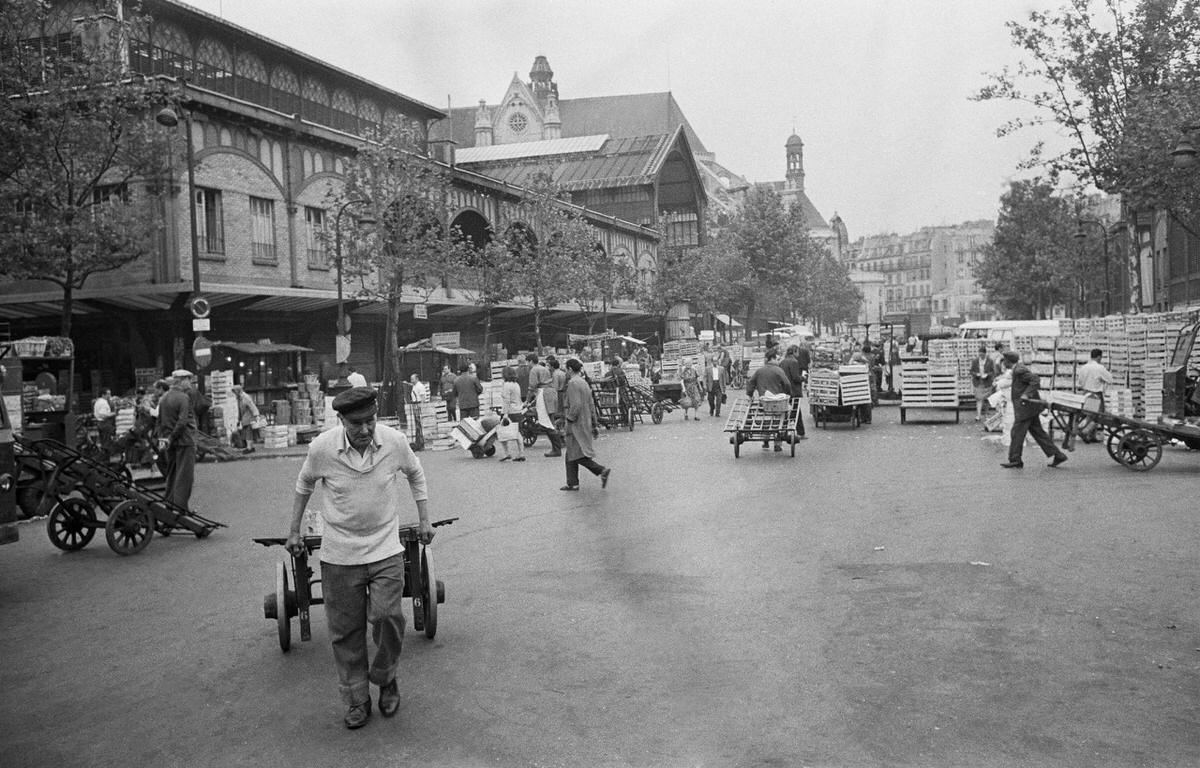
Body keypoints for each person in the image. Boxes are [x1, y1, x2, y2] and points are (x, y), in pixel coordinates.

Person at [286, 387, 433, 729]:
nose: (366, 430)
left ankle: (385, 676)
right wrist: (293, 530)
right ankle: (356, 698)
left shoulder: (394, 441)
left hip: (385, 549)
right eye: (357, 424)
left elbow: (416, 473)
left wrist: (424, 518)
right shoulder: (322, 448)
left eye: (371, 421)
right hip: (339, 554)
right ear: (340, 421)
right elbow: (304, 484)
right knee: (345, 631)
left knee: (387, 617)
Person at [1001, 351, 1068, 469]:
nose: (1003, 362)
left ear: (1008, 361)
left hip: (1025, 409)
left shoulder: (1019, 370)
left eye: (1004, 360)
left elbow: (1035, 380)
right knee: (1039, 433)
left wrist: (1027, 394)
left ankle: (1015, 459)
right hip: (1030, 408)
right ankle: (1058, 455)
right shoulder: (1017, 369)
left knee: (1016, 433)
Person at [560, 358, 611, 491]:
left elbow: (575, 405)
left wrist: (570, 419)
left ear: (570, 369)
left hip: (576, 424)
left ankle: (601, 470)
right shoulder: (584, 383)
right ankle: (572, 482)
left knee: (577, 454)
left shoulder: (572, 383)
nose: (566, 372)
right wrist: (594, 423)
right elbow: (591, 404)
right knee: (571, 453)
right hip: (585, 421)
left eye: (566, 369)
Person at [156, 370, 197, 509]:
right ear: (181, 380)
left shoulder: (164, 398)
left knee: (172, 474)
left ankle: (169, 504)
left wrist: (165, 439)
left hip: (170, 442)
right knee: (185, 476)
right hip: (185, 441)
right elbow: (182, 422)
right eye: (189, 379)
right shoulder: (183, 398)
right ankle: (181, 508)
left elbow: (159, 422)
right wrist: (173, 436)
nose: (190, 383)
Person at [744, 350, 793, 451]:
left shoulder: (759, 371)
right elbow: (787, 384)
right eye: (777, 359)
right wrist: (788, 394)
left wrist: (750, 394)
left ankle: (765, 441)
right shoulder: (779, 370)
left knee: (765, 420)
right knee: (779, 420)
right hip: (778, 402)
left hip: (764, 402)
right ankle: (777, 444)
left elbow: (750, 383)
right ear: (773, 359)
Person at [527, 355, 564, 457]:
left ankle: (556, 449)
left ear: (530, 361)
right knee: (550, 419)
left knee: (545, 422)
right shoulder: (545, 369)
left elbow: (532, 386)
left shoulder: (534, 370)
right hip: (551, 393)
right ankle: (557, 447)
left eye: (528, 362)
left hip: (543, 393)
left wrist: (527, 400)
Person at [1075, 348, 1113, 442]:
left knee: (1088, 414)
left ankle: (1090, 435)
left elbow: (1079, 383)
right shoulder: (1099, 368)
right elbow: (1110, 379)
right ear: (1099, 357)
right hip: (1095, 394)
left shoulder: (1084, 367)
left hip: (1086, 393)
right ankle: (1084, 431)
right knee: (1096, 415)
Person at [496, 366, 526, 462]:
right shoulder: (516, 384)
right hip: (518, 410)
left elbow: (506, 401)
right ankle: (521, 453)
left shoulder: (506, 385)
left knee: (502, 432)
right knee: (518, 433)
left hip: (509, 412)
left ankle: (506, 452)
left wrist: (505, 414)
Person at [779, 346, 809, 434]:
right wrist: (803, 378)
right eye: (798, 352)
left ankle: (785, 430)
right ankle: (799, 432)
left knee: (788, 410)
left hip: (785, 390)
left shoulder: (783, 361)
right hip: (794, 390)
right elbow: (795, 378)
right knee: (796, 411)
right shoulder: (794, 362)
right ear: (794, 352)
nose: (799, 354)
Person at [969, 343, 997, 422]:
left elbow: (993, 371)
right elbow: (971, 371)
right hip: (978, 382)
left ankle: (986, 415)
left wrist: (987, 374)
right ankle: (978, 415)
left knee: (987, 399)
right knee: (979, 398)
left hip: (987, 382)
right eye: (979, 354)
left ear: (985, 354)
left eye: (982, 354)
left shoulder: (990, 361)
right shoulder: (975, 361)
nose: (980, 356)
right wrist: (976, 374)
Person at [232, 384, 260, 452]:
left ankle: (249, 448)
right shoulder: (239, 398)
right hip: (245, 418)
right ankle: (251, 447)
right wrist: (238, 420)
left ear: (238, 391)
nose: (234, 393)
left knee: (248, 433)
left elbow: (252, 406)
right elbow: (240, 410)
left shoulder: (245, 397)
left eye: (235, 392)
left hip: (249, 417)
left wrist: (256, 415)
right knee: (246, 433)